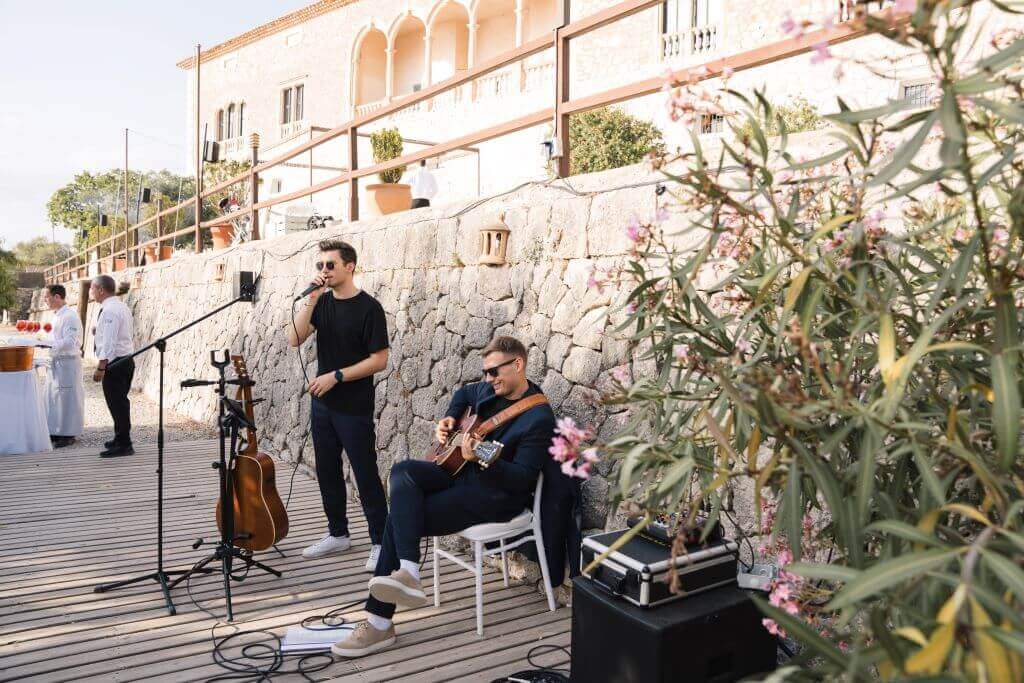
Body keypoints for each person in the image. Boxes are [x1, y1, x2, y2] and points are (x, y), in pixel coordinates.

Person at [331, 336, 556, 658]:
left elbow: (522, 478)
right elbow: (464, 393)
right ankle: (408, 569)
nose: (488, 380)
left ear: (517, 365)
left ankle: (379, 622)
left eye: (494, 372)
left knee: (400, 517)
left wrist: (481, 457)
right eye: (486, 373)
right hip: (458, 473)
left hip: (492, 495)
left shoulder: (538, 418)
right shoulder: (490, 389)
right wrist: (450, 418)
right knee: (403, 472)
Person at [287, 239, 390, 572]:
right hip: (323, 405)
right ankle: (338, 533)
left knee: (365, 472)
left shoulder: (369, 308)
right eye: (320, 266)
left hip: (354, 406)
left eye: (330, 265)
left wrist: (338, 376)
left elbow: (380, 360)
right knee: (327, 470)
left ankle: (380, 540)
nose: (324, 271)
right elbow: (294, 338)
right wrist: (312, 300)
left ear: (350, 266)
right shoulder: (321, 303)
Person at [91, 275, 135, 457]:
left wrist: (101, 367)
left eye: (92, 288)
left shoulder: (109, 310)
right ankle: (120, 438)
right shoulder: (120, 306)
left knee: (118, 404)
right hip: (125, 359)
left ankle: (124, 444)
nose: (91, 292)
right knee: (119, 402)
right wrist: (98, 331)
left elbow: (109, 342)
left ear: (101, 290)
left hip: (115, 363)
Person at [43, 284, 84, 448]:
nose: (45, 300)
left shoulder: (70, 316)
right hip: (56, 361)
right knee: (54, 397)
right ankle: (56, 430)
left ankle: (68, 433)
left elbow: (70, 341)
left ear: (57, 297)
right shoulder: (57, 316)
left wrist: (48, 345)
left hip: (68, 362)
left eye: (47, 297)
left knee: (68, 398)